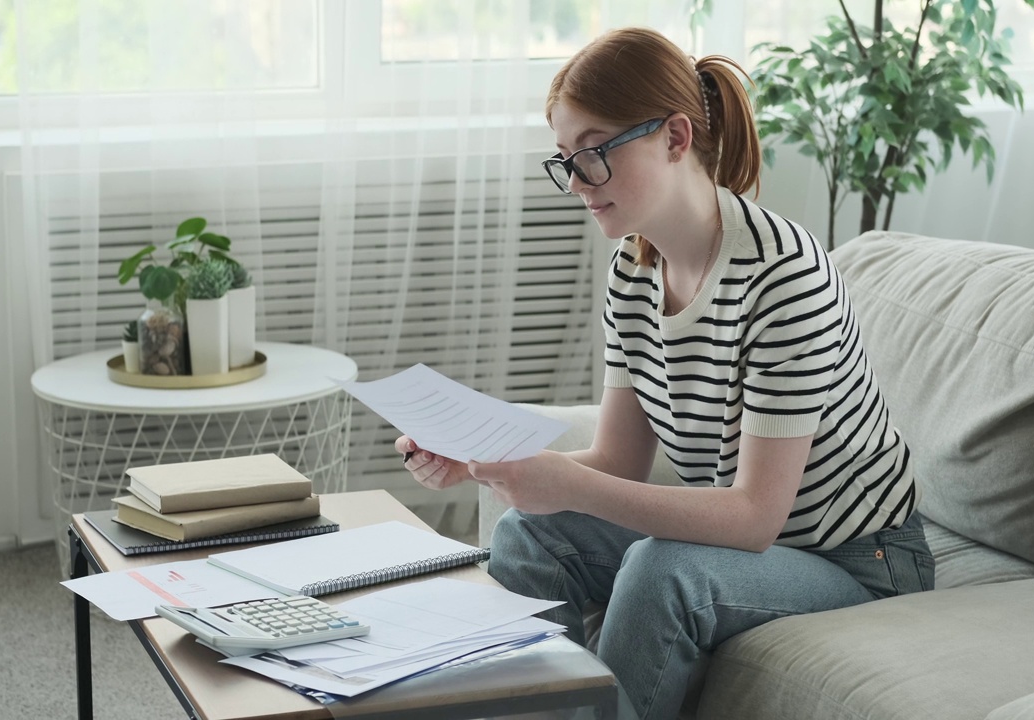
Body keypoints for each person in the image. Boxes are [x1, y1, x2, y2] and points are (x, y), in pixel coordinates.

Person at [396, 26, 933, 720]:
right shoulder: (632, 271)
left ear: (674, 139)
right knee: (529, 532)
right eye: (566, 161)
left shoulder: (783, 275)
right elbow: (619, 461)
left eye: (593, 155)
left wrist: (569, 484)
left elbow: (754, 518)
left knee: (662, 570)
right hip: (763, 546)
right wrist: (479, 463)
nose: (580, 185)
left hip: (861, 561)